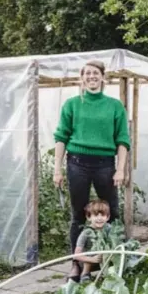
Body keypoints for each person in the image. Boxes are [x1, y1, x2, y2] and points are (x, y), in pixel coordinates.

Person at [53, 60, 131, 282]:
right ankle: (77, 265)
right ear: (82, 78)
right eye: (87, 73)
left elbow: (123, 140)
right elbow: (61, 137)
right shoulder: (72, 104)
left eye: (95, 73)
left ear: (103, 78)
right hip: (77, 163)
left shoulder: (115, 106)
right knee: (78, 215)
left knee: (112, 214)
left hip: (105, 164)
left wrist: (121, 169)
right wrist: (57, 169)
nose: (91, 77)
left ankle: (113, 261)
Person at [74, 199, 111, 283]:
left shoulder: (109, 229)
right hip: (89, 260)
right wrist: (93, 259)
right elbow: (76, 256)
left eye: (103, 215)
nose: (99, 218)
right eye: (95, 215)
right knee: (91, 253)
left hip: (105, 257)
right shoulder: (86, 233)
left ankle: (107, 275)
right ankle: (84, 275)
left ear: (108, 217)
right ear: (89, 217)